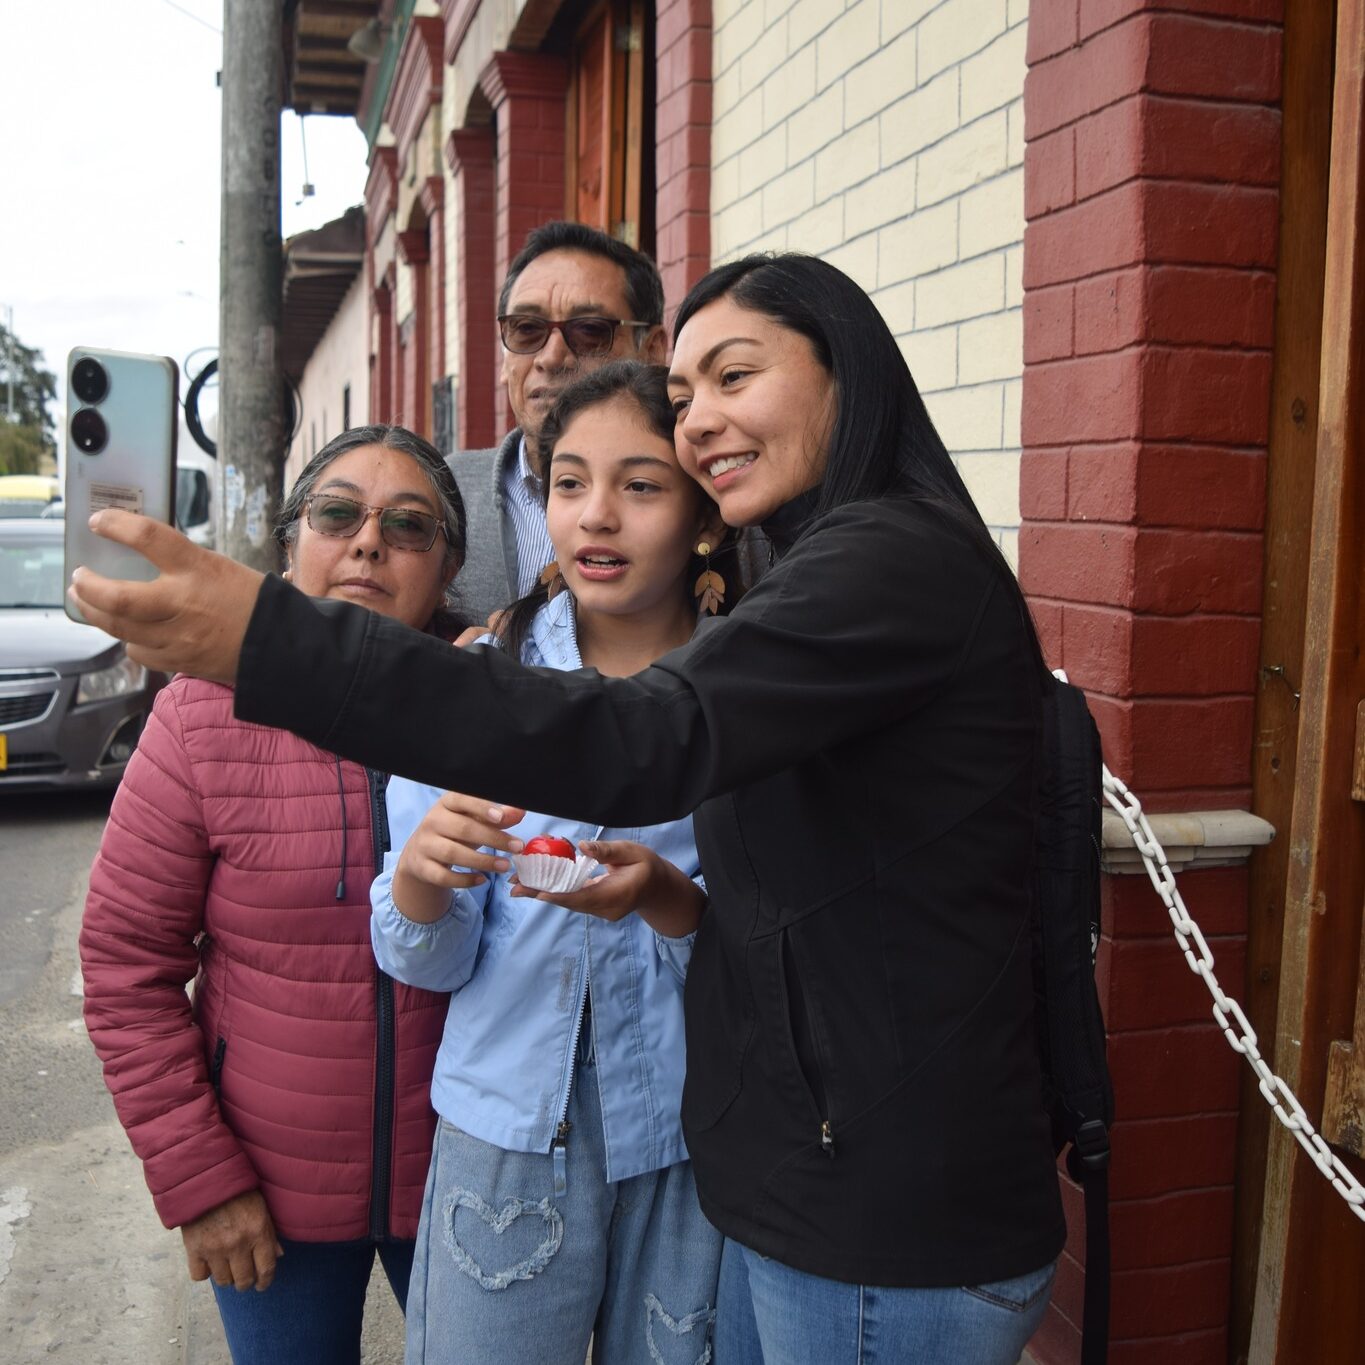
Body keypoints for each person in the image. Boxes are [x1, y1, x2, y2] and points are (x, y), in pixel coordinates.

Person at [72, 253, 1067, 1364]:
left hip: (860, 1205)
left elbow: (642, 741)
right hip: (755, 1176)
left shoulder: (872, 568)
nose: (702, 426)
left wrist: (274, 641)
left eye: (734, 380)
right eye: (685, 399)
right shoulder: (788, 588)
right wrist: (447, 884)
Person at [78, 426, 466, 1365]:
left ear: (447, 564)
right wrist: (200, 1179)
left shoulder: (501, 698)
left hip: (473, 1184)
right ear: (293, 539)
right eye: (338, 513)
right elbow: (127, 970)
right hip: (270, 1190)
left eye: (408, 526)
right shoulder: (203, 713)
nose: (368, 541)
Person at [374, 361, 727, 1363]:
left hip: (689, 1135)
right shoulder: (479, 686)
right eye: (569, 484)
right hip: (510, 1136)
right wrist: (422, 883)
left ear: (705, 517)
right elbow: (429, 964)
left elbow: (775, 954)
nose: (597, 517)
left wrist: (669, 903)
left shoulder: (747, 695)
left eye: (642, 485)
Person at [453, 219, 668, 624]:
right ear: (504, 359)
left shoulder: (708, 496)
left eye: (589, 331)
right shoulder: (444, 493)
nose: (551, 358)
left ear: (653, 350)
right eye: (526, 329)